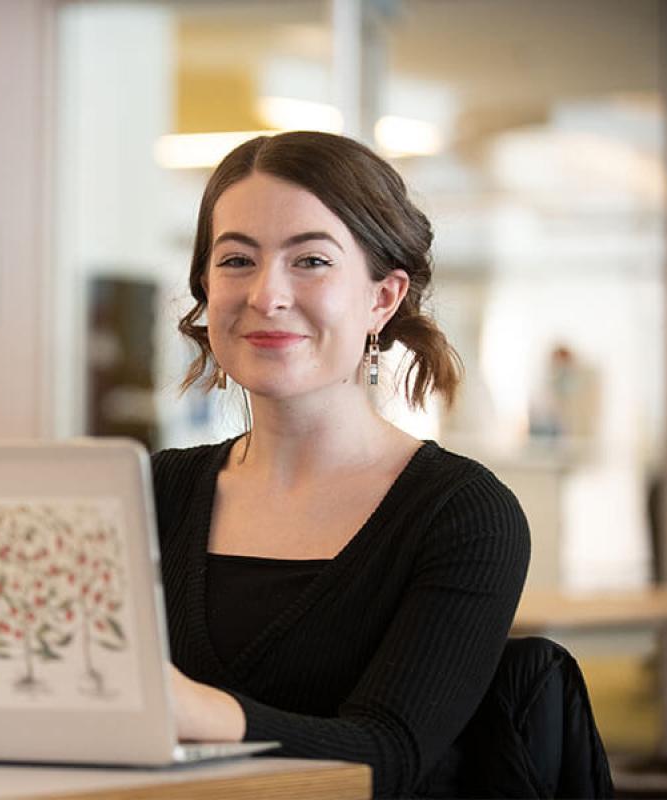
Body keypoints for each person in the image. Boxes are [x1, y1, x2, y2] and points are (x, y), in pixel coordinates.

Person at [153, 131, 530, 798]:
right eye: (237, 259)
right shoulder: (153, 492)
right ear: (206, 289)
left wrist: (197, 712)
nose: (267, 294)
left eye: (311, 261)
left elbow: (388, 756)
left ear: (382, 299)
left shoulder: (463, 514)